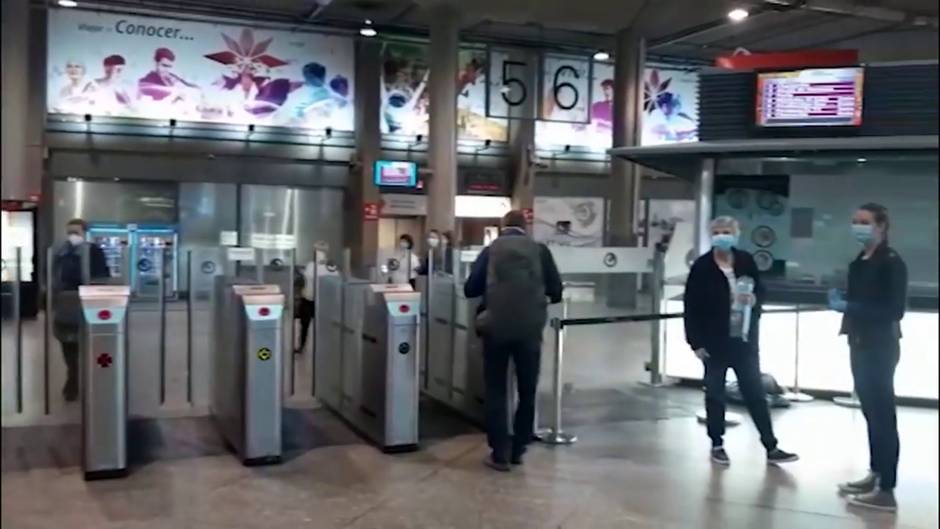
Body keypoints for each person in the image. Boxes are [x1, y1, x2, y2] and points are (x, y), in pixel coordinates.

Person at [683, 216, 798, 466]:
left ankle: (771, 446)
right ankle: (717, 443)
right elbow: (691, 306)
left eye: (727, 231)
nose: (722, 236)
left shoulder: (745, 260)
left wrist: (755, 301)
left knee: (755, 392)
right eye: (717, 232)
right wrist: (696, 343)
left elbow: (760, 289)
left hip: (743, 340)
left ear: (736, 234)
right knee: (715, 393)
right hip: (714, 341)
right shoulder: (702, 267)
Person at [464, 210, 563, 471]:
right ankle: (519, 448)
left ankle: (499, 453)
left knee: (496, 390)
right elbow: (556, 290)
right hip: (530, 331)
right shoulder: (540, 251)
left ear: (503, 226)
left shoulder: (491, 250)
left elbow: (470, 288)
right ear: (526, 226)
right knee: (527, 391)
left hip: (495, 329)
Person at [829, 203, 907, 512]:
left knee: (882, 416)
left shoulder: (891, 262)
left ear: (881, 226)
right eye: (854, 221)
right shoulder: (859, 262)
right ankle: (875, 473)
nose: (858, 227)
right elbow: (861, 298)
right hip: (858, 343)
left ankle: (886, 489)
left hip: (880, 346)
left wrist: (851, 308)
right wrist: (844, 301)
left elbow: (893, 310)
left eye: (865, 222)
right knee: (870, 414)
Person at [52, 219, 109, 402]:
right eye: (69, 232)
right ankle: (73, 379)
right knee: (68, 345)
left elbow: (102, 276)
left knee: (89, 345)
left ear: (84, 233)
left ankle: (88, 381)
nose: (72, 236)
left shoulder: (94, 251)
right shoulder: (61, 251)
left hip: (87, 301)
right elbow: (53, 275)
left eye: (76, 232)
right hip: (65, 304)